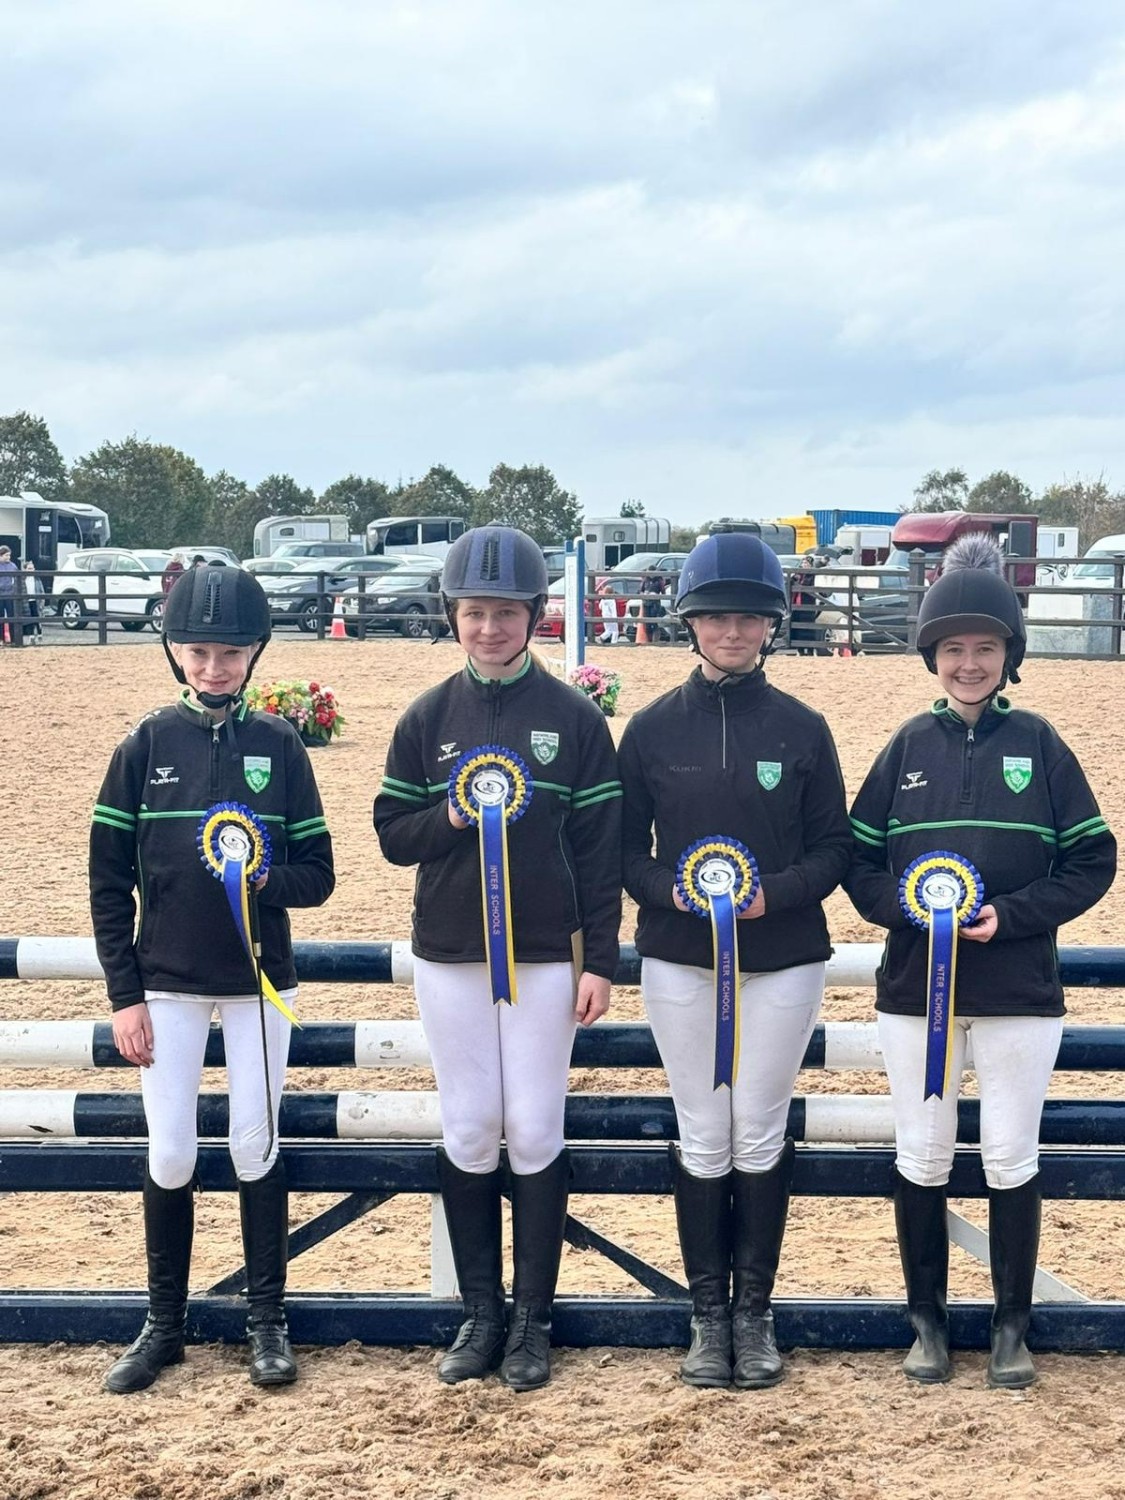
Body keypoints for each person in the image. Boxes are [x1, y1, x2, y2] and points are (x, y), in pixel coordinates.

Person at [845, 535, 1116, 1389]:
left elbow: (1092, 861)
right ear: (933, 656)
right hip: (910, 995)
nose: (968, 664)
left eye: (985, 649)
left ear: (1008, 656)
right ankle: (924, 1321)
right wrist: (910, 918)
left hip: (1016, 994)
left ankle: (1009, 1326)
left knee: (1009, 1155)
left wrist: (1015, 917)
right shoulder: (903, 749)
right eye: (954, 650)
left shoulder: (1039, 745)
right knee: (921, 1154)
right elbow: (857, 863)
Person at [374, 525, 622, 1392]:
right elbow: (389, 835)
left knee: (534, 1128)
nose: (489, 628)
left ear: (534, 617)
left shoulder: (573, 719)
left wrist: (602, 961)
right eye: (475, 613)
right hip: (450, 955)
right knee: (471, 1126)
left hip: (548, 957)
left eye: (505, 613)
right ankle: (480, 1315)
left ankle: (532, 1321)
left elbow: (599, 849)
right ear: (455, 617)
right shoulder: (426, 718)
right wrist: (447, 818)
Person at [90, 565, 335, 1394]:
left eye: (229, 653)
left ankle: (267, 1319)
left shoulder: (280, 747)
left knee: (253, 1145)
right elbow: (105, 880)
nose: (214, 667)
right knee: (169, 1152)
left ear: (253, 655)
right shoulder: (144, 746)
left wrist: (265, 880)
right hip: (166, 983)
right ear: (175, 651)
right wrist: (125, 994)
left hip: (260, 984)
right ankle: (165, 1324)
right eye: (198, 651)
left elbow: (320, 872)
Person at [619, 533, 852, 1390]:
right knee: (700, 1130)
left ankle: (753, 1316)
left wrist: (773, 896)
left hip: (782, 958)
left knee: (757, 1128)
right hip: (681, 960)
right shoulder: (648, 730)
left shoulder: (802, 728)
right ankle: (705, 1315)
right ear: (691, 622)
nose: (731, 631)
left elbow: (835, 847)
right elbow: (622, 853)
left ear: (768, 625)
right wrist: (675, 894)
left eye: (747, 617)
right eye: (716, 615)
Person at [22, 560, 44, 642]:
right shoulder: (23, 579)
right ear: (25, 569)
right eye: (29, 568)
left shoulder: (37, 579)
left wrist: (42, 601)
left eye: (32, 568)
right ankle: (31, 635)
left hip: (36, 601)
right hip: (27, 601)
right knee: (29, 618)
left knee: (37, 617)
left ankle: (39, 633)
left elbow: (41, 590)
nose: (31, 570)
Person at [0, 545, 18, 641]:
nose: (8, 557)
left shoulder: (13, 566)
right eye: (6, 555)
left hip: (10, 594)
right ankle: (1, 639)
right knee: (1, 617)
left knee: (12, 616)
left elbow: (17, 578)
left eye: (9, 555)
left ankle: (14, 638)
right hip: (0, 595)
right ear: (1, 555)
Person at [595, 578, 620, 644]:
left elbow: (600, 607)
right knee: (615, 631)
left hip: (605, 617)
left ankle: (601, 638)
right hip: (611, 617)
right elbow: (613, 610)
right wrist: (615, 618)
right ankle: (614, 642)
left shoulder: (603, 600)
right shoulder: (612, 601)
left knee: (608, 630)